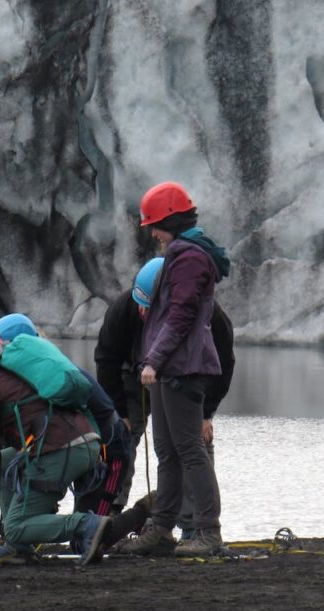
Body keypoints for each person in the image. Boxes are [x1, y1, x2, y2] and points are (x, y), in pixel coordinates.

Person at [114, 181, 231, 557]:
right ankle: (162, 529)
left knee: (189, 449)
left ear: (172, 222)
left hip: (182, 367)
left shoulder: (191, 258)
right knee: (167, 449)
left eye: (155, 225)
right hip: (170, 368)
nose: (152, 233)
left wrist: (154, 360)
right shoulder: (181, 254)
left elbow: (180, 316)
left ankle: (207, 532)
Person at [0, 319, 110, 567]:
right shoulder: (15, 370)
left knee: (15, 527)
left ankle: (84, 525)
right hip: (86, 443)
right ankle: (17, 545)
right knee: (6, 461)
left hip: (60, 450)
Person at [96, 258, 235, 540]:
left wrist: (207, 414)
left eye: (147, 307)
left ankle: (194, 527)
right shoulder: (125, 309)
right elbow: (106, 359)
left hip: (183, 376)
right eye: (140, 304)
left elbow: (224, 365)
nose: (141, 311)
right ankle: (109, 515)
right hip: (134, 375)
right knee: (121, 438)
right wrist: (120, 411)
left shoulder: (210, 317)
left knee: (193, 444)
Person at [0, 313, 155, 551]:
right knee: (77, 531)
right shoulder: (44, 371)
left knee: (90, 540)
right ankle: (17, 538)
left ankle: (144, 511)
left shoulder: (55, 377)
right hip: (82, 450)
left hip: (109, 453)